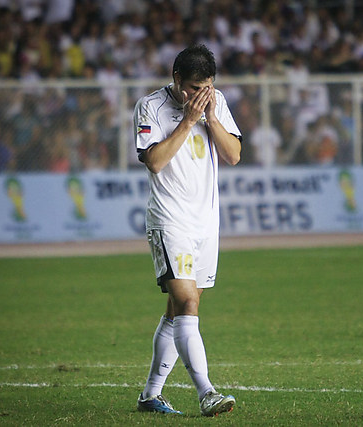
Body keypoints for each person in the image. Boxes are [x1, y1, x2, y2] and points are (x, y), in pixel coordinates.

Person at [132, 44, 241, 417]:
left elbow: (233, 155)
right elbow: (156, 162)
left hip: (206, 224)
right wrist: (188, 121)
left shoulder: (216, 102)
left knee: (178, 309)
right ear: (177, 79)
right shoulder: (151, 108)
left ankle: (150, 395)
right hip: (170, 220)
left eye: (207, 86)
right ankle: (207, 392)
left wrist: (210, 116)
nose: (200, 95)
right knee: (188, 303)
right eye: (194, 88)